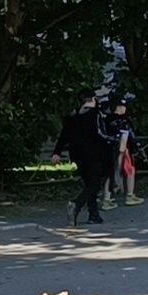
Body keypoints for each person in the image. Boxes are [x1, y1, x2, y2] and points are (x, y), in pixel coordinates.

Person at [51, 88, 113, 224]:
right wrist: (113, 139)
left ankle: (93, 214)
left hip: (77, 155)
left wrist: (57, 152)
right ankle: (76, 205)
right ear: (93, 99)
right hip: (94, 154)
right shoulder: (95, 114)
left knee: (89, 183)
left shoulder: (72, 115)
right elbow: (99, 133)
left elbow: (64, 135)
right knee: (95, 184)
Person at [107, 93, 143, 207]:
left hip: (110, 149)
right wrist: (137, 146)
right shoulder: (125, 121)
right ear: (120, 107)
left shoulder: (107, 120)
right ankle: (130, 195)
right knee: (130, 170)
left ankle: (107, 198)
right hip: (124, 149)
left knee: (111, 173)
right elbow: (130, 135)